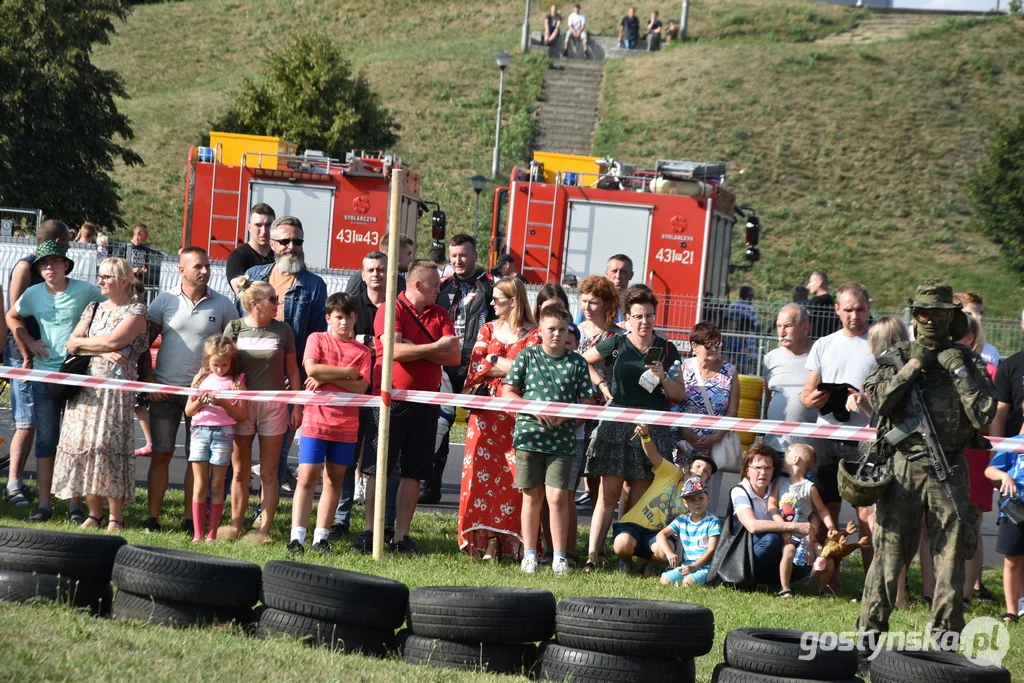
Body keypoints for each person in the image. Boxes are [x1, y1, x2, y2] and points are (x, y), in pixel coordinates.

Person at [857, 280, 997, 644]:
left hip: (949, 469)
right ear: (914, 315)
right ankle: (868, 638)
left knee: (950, 559)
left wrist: (958, 370)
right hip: (903, 467)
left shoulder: (968, 362)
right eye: (923, 312)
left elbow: (983, 416)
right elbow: (879, 404)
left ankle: (946, 640)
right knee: (888, 555)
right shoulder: (896, 357)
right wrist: (912, 368)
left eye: (938, 313)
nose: (930, 319)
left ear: (951, 318)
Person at [352, 261, 460, 555]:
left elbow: (453, 357)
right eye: (436, 285)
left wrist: (421, 349)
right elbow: (393, 351)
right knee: (378, 468)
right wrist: (434, 348)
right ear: (418, 285)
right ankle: (370, 531)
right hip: (391, 400)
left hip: (426, 403)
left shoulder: (440, 313)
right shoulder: (391, 309)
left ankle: (401, 536)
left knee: (414, 472)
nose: (440, 290)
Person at [582, 285, 684, 573]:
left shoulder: (667, 348)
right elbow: (583, 361)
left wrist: (663, 376)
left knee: (637, 498)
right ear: (627, 318)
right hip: (617, 425)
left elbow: (678, 393)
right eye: (638, 316)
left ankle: (626, 556)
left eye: (649, 315)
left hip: (653, 428)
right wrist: (602, 386)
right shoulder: (615, 342)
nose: (644, 322)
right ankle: (594, 554)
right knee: (608, 494)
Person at [6, 239, 103, 523]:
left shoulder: (85, 290)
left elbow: (110, 305)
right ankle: (45, 504)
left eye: (55, 262)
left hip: (76, 374)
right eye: (44, 264)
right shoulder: (33, 293)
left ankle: (75, 505)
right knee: (47, 441)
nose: (50, 268)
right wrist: (28, 341)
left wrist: (93, 341)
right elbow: (12, 316)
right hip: (44, 375)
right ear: (39, 269)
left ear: (66, 265)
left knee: (74, 442)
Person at [144, 247, 238, 533]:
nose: (204, 271)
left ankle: (189, 518)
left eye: (207, 266)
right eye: (197, 266)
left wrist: (225, 385)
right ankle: (153, 517)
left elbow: (233, 350)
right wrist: (150, 381)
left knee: (196, 459)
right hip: (165, 390)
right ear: (181, 270)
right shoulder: (164, 301)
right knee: (161, 453)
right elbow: (143, 344)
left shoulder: (224, 305)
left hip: (204, 397)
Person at [51, 257, 148, 533]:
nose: (100, 281)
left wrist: (93, 345)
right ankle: (95, 513)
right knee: (86, 448)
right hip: (85, 392)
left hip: (114, 394)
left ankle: (116, 516)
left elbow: (115, 341)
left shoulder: (136, 311)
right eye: (100, 275)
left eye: (107, 276)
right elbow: (72, 342)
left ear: (124, 281)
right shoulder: (94, 307)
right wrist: (101, 349)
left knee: (108, 450)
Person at [503, 305, 594, 575]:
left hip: (562, 441)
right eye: (551, 329)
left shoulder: (576, 362)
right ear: (540, 330)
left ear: (569, 331)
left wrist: (565, 417)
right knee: (532, 496)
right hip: (529, 437)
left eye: (562, 329)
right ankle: (529, 554)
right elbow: (508, 392)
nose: (556, 334)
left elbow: (587, 404)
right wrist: (534, 408)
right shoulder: (527, 356)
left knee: (557, 497)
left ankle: (559, 556)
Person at [245, 216, 327, 496]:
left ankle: (263, 512)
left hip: (287, 384)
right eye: (285, 241)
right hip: (245, 379)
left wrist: (302, 386)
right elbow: (236, 324)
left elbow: (316, 339)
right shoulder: (254, 276)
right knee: (238, 450)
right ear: (272, 243)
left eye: (298, 241)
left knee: (277, 453)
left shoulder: (315, 286)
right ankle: (234, 510)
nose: (292, 246)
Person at [457, 277, 539, 560]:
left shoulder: (535, 334)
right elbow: (476, 365)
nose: (491, 303)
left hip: (517, 416)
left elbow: (531, 371)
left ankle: (513, 542)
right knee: (480, 480)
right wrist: (505, 366)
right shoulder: (488, 328)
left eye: (497, 299)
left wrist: (495, 361)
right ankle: (487, 539)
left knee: (515, 479)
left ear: (514, 301)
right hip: (484, 416)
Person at [800, 282, 876, 582]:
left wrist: (865, 401)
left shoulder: (878, 345)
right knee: (827, 508)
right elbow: (806, 392)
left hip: (864, 439)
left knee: (866, 513)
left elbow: (890, 397)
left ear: (868, 308)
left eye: (859, 309)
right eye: (848, 310)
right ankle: (826, 579)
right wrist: (812, 399)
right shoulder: (824, 344)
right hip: (826, 435)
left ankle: (872, 581)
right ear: (837, 310)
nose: (854, 316)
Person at [289, 293, 371, 556]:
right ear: (328, 318)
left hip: (346, 426)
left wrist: (327, 379)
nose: (344, 322)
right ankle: (297, 537)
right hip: (316, 422)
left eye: (349, 317)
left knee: (334, 480)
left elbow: (362, 386)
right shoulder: (317, 339)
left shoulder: (362, 352)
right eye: (338, 317)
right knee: (306, 479)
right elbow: (312, 370)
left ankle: (321, 537)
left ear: (356, 317)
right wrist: (346, 372)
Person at [221, 277, 301, 542]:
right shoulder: (234, 328)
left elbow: (293, 370)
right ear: (255, 304)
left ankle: (263, 529)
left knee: (269, 472)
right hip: (241, 405)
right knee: (240, 470)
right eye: (273, 300)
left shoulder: (283, 330)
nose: (278, 304)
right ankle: (235, 526)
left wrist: (297, 405)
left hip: (274, 406)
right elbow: (220, 363)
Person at [3, 220, 70, 508]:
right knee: (26, 422)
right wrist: (26, 349)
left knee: (44, 423)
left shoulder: (51, 269)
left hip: (48, 355)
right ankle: (13, 484)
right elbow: (13, 313)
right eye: (66, 242)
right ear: (55, 240)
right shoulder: (25, 267)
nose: (68, 247)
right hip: (24, 354)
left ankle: (38, 484)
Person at [183, 336, 247, 543]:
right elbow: (188, 410)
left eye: (224, 365)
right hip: (200, 431)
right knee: (200, 484)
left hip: (224, 433)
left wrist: (222, 403)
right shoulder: (200, 378)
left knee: (217, 484)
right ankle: (197, 533)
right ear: (208, 361)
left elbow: (241, 415)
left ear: (232, 361)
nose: (220, 369)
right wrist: (200, 401)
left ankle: (212, 534)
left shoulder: (237, 381)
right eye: (215, 365)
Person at [610, 423, 691, 573]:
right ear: (687, 470)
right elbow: (653, 454)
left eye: (705, 472)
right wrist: (645, 436)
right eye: (697, 468)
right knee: (622, 544)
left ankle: (650, 565)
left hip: (658, 535)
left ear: (708, 480)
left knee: (665, 551)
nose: (700, 472)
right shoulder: (672, 473)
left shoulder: (697, 500)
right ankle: (626, 563)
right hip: (632, 525)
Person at [675, 321, 739, 511]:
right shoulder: (683, 368)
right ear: (694, 346)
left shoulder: (730, 372)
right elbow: (674, 403)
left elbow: (732, 411)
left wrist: (716, 437)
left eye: (717, 344)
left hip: (714, 447)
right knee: (678, 498)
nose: (714, 348)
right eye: (708, 344)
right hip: (682, 445)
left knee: (706, 501)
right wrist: (684, 431)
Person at [730, 443, 813, 586]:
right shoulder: (739, 491)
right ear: (747, 470)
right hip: (746, 550)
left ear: (774, 470)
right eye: (757, 468)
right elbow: (753, 526)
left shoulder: (778, 488)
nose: (763, 473)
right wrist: (789, 527)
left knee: (804, 562)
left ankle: (765, 581)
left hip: (775, 546)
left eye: (767, 467)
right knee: (772, 540)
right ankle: (739, 577)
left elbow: (812, 508)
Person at [575, 275, 625, 506]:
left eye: (593, 302)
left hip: (605, 408)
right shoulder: (574, 331)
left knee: (597, 472)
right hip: (577, 404)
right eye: (584, 301)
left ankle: (596, 520)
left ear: (607, 303)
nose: (587, 307)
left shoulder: (618, 336)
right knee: (572, 471)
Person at [775, 444, 838, 597]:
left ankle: (821, 588)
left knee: (827, 560)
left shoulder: (809, 488)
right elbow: (771, 503)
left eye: (787, 455)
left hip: (805, 535)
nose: (783, 458)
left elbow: (822, 510)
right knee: (788, 550)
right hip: (784, 532)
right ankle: (785, 587)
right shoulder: (779, 482)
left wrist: (831, 526)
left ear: (795, 459)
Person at [437, 233, 495, 394]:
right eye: (454, 256)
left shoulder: (490, 284)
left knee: (473, 416)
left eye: (463, 255)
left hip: (477, 364)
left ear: (475, 256)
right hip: (445, 363)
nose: (458, 261)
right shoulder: (442, 286)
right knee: (444, 417)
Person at [763, 304, 817, 460]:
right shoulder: (771, 358)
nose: (782, 332)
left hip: (808, 451)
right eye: (779, 326)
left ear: (805, 328)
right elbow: (769, 398)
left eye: (788, 326)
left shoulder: (820, 355)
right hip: (774, 447)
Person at [985, 435, 1024, 625]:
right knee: (1012, 560)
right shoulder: (1016, 442)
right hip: (1016, 511)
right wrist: (1004, 476)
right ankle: (1012, 611)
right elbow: (990, 470)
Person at [656, 476, 721, 587]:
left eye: (701, 498)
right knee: (664, 580)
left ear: (708, 499)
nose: (697, 503)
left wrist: (695, 566)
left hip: (705, 566)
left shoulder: (713, 522)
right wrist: (669, 553)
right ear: (685, 503)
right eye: (692, 500)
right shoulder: (682, 519)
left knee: (687, 583)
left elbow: (711, 550)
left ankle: (707, 580)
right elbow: (661, 534)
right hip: (687, 565)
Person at [345, 233, 413, 298]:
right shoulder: (362, 279)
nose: (411, 259)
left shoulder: (400, 281)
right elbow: (347, 307)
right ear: (395, 254)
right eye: (408, 254)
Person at [226, 203, 276, 289]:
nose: (264, 231)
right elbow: (241, 292)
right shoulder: (238, 256)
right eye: (258, 225)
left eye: (268, 225)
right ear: (249, 227)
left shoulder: (281, 255)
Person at [574, 254, 633, 325]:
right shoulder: (594, 300)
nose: (618, 276)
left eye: (623, 272)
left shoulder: (634, 302)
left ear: (631, 275)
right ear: (606, 273)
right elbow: (577, 329)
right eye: (614, 271)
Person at [954, 291, 1000, 365]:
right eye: (972, 312)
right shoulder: (943, 345)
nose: (979, 317)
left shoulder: (989, 352)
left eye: (981, 313)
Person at [724, 285, 760, 375]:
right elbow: (756, 326)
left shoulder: (732, 307)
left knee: (733, 360)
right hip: (747, 340)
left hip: (732, 338)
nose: (753, 298)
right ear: (748, 296)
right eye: (751, 295)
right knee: (747, 364)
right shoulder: (750, 309)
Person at [124, 223, 162, 289]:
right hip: (126, 282)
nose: (148, 236)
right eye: (146, 233)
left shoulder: (145, 249)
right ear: (138, 233)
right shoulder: (125, 247)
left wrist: (144, 270)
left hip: (139, 282)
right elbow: (118, 266)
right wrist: (133, 270)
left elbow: (147, 267)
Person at [807, 271, 839, 339]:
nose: (808, 286)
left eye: (811, 282)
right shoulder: (831, 301)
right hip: (828, 339)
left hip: (813, 340)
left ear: (819, 283)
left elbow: (804, 319)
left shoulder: (816, 301)